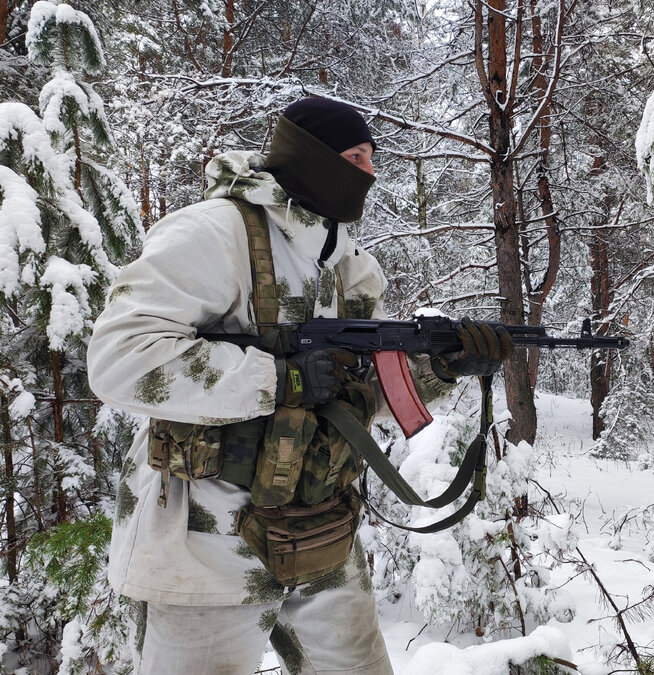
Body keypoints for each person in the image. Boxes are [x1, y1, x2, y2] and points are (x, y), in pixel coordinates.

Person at [87, 98, 509, 674]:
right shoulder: (214, 234)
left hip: (322, 527)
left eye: (371, 158)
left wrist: (439, 370)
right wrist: (277, 378)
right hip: (204, 541)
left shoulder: (346, 265)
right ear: (310, 157)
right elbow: (119, 358)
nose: (368, 172)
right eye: (354, 156)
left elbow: (362, 393)